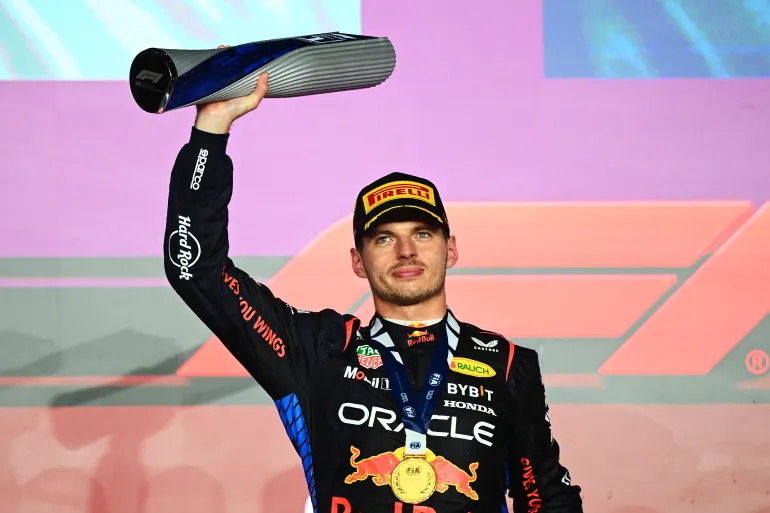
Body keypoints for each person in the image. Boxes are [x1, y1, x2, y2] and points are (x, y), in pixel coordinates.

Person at [163, 71, 584, 513]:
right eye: (383, 239)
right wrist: (211, 130)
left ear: (451, 250)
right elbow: (196, 268)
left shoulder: (507, 364)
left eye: (422, 234)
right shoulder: (316, 350)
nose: (406, 251)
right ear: (357, 261)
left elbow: (546, 497)